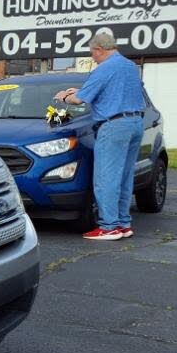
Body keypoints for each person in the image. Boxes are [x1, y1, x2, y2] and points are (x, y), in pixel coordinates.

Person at [54, 30, 145, 241]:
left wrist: (65, 97)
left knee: (106, 177)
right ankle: (123, 223)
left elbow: (79, 100)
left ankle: (109, 227)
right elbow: (113, 90)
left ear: (99, 49)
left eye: (92, 53)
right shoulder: (130, 66)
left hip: (113, 126)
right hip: (135, 123)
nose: (92, 58)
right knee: (124, 176)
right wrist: (81, 89)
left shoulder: (104, 69)